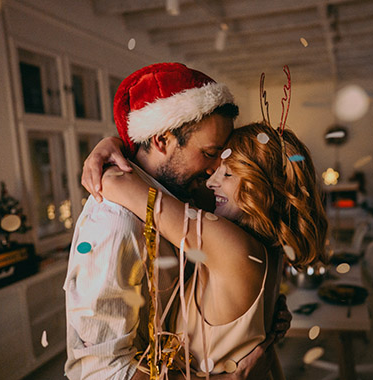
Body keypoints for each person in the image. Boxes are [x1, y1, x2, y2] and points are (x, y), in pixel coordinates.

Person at [64, 63, 290, 380]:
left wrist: (256, 317)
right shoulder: (117, 224)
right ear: (161, 140)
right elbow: (100, 370)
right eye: (210, 152)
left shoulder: (184, 195)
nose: (214, 171)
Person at [99, 121, 328, 377]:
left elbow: (114, 183)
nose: (211, 183)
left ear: (261, 187)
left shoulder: (232, 246)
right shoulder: (268, 245)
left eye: (227, 174)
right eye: (216, 170)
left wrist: (107, 149)